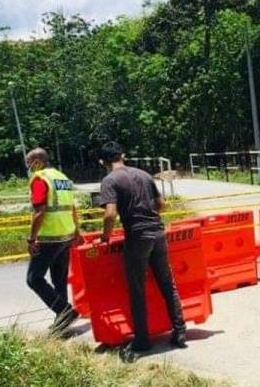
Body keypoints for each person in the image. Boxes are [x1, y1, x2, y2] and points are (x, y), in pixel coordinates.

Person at [98, 141, 186, 363]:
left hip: (137, 237)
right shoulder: (144, 175)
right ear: (123, 155)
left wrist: (105, 236)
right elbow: (162, 204)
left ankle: (142, 340)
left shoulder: (109, 180)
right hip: (157, 232)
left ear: (103, 162)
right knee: (168, 284)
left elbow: (110, 214)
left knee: (137, 289)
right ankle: (180, 330)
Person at [26, 147, 80, 334]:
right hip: (66, 234)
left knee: (34, 279)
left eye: (30, 162)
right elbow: (72, 207)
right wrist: (77, 231)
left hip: (48, 237)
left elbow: (39, 211)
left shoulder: (40, 179)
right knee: (59, 279)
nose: (29, 166)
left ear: (39, 161)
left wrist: (31, 238)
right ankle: (63, 321)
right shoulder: (62, 177)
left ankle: (64, 311)